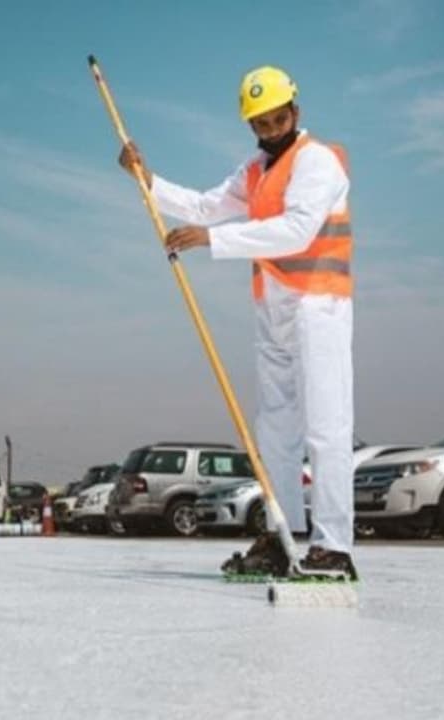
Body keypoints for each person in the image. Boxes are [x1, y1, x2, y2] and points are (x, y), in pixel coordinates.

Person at [117, 66, 356, 578]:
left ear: (296, 110)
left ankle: (334, 547)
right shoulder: (256, 170)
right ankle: (283, 533)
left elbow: (295, 231)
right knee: (275, 434)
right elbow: (205, 206)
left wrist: (213, 241)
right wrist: (146, 178)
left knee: (326, 428)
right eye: (261, 124)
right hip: (274, 312)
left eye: (277, 119)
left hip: (319, 306)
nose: (271, 130)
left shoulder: (318, 161)